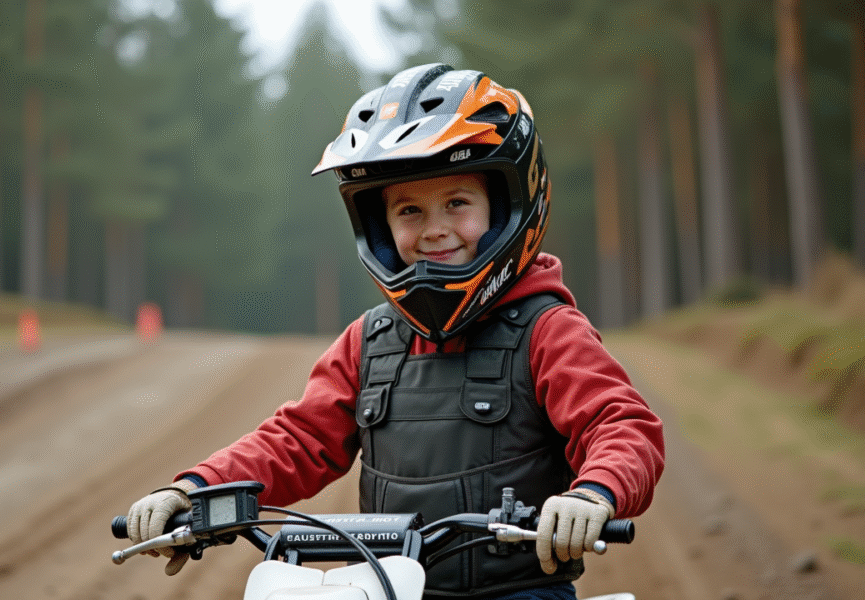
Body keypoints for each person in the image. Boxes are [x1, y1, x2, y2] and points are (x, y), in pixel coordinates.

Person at [125, 64, 665, 600]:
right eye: (409, 210)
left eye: (457, 202)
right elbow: (299, 438)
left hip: (518, 591)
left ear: (508, 206)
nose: (433, 229)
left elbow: (622, 424)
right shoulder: (371, 340)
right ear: (379, 227)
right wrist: (193, 490)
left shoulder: (547, 330)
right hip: (392, 588)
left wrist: (594, 495)